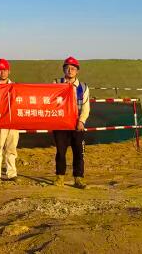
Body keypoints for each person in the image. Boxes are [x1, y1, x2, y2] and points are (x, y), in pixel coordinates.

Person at [52, 56, 90, 189]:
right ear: (63, 69)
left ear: (77, 71)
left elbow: (86, 107)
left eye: (73, 68)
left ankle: (78, 178)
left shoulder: (83, 87)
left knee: (79, 152)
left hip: (77, 125)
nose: (70, 70)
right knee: (60, 152)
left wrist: (82, 121)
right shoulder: (56, 83)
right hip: (60, 125)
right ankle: (60, 177)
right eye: (67, 68)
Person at [0, 58, 19, 183]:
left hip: (12, 123)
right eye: (0, 70)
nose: (2, 72)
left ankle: (11, 173)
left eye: (5, 70)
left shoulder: (15, 87)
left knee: (11, 149)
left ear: (9, 71)